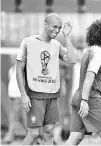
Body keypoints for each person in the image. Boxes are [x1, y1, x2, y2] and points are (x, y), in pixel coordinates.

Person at [16, 13, 76, 145]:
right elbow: (19, 69)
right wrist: (23, 94)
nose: (57, 30)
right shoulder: (28, 42)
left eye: (59, 28)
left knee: (49, 132)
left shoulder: (56, 45)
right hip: (34, 94)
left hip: (52, 95)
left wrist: (66, 37)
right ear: (45, 24)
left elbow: (72, 59)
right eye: (54, 27)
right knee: (34, 133)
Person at [3, 57, 27, 144]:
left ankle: (9, 136)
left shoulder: (21, 68)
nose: (12, 59)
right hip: (12, 96)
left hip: (18, 96)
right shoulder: (11, 69)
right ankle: (33, 135)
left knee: (13, 117)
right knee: (21, 118)